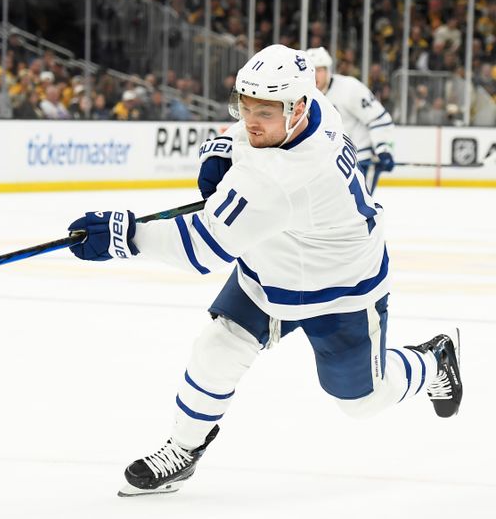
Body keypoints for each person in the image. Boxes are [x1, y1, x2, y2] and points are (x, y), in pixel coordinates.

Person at [66, 45, 462, 497]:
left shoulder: (284, 178)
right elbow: (250, 130)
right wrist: (224, 145)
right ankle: (183, 448)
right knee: (217, 349)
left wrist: (125, 236)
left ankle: (432, 361)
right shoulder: (316, 107)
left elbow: (202, 248)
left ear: (297, 108)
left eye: (264, 113)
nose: (250, 121)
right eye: (244, 106)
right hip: (274, 263)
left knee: (362, 402)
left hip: (341, 288)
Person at [305, 46, 396, 193]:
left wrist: (384, 149)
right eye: (312, 70)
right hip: (326, 164)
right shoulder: (302, 95)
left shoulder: (350, 88)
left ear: (328, 71)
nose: (316, 75)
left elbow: (378, 118)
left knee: (358, 211)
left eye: (320, 70)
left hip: (360, 160)